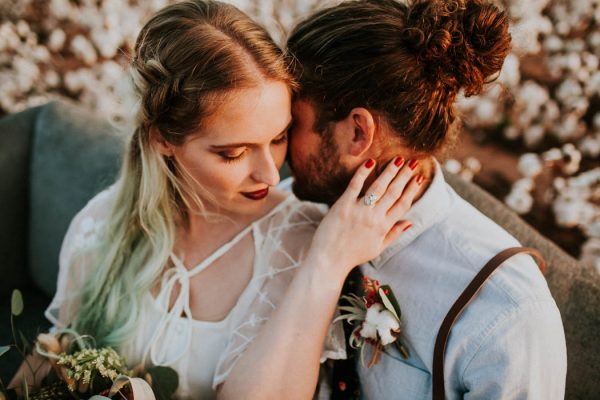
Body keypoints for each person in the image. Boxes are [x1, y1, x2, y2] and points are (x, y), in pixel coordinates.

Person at [9, 1, 423, 399]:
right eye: (233, 153)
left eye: (278, 137)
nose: (270, 172)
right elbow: (55, 356)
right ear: (163, 138)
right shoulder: (100, 225)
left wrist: (326, 264)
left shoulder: (299, 242)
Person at [286, 0, 567, 398]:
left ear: (357, 133)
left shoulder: (506, 311)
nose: (276, 149)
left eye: (292, 123)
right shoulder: (283, 212)